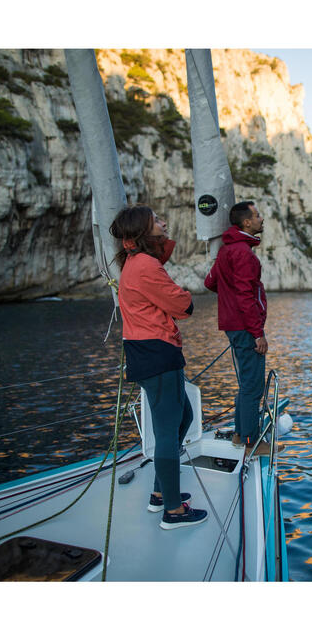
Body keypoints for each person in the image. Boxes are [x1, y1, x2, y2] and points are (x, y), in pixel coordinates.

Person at [109, 204, 208, 530]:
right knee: (167, 430)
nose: (164, 222)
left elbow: (166, 286)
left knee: (184, 418)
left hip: (150, 351)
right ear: (142, 231)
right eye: (157, 220)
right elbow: (183, 306)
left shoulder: (140, 263)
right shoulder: (145, 267)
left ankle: (159, 492)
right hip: (156, 352)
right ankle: (173, 511)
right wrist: (183, 295)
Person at [204, 201, 269, 456]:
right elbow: (245, 295)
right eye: (257, 215)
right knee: (253, 385)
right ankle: (253, 442)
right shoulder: (242, 252)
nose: (261, 219)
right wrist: (257, 333)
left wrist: (228, 297)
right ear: (246, 223)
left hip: (234, 325)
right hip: (245, 327)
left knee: (246, 383)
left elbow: (211, 282)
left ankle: (241, 435)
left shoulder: (226, 250)